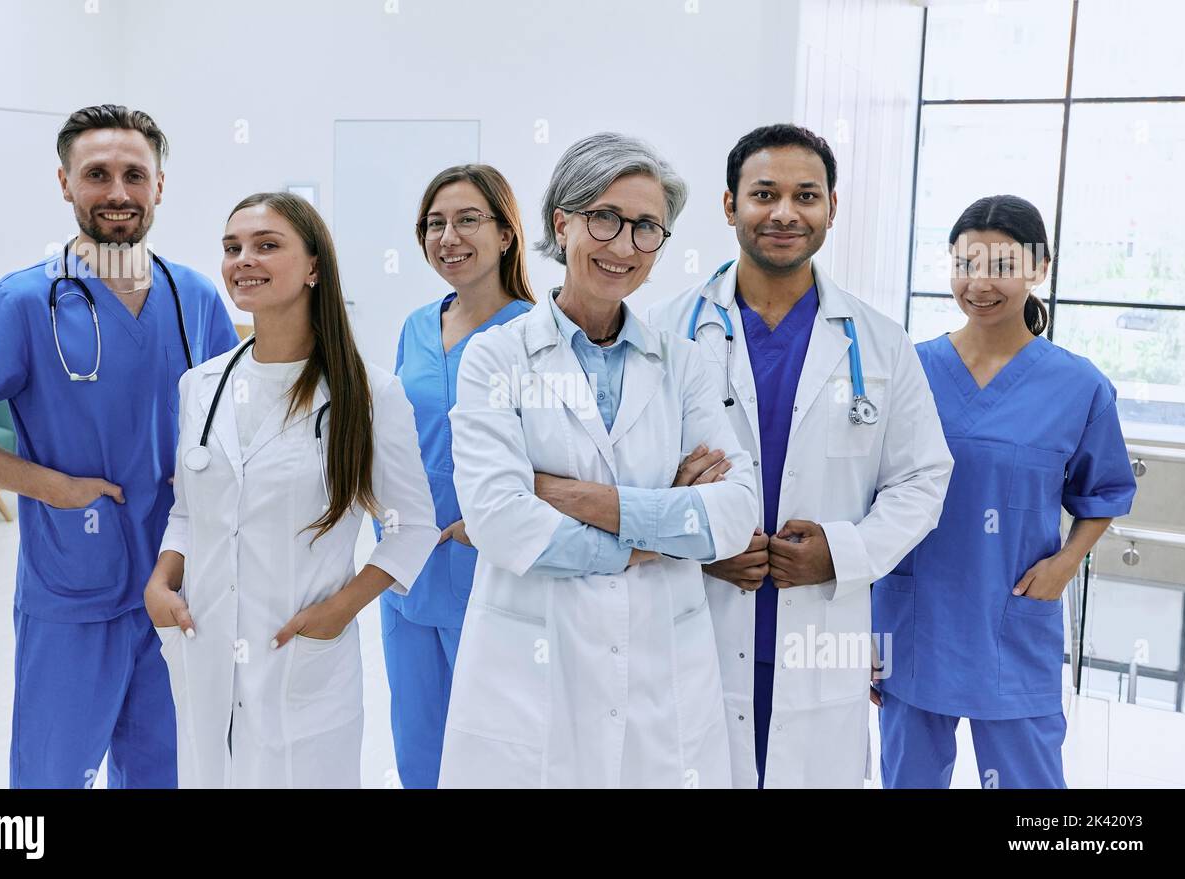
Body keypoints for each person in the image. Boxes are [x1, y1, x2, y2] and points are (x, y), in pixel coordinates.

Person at [0, 104, 237, 788]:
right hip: (73, 586)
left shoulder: (195, 296)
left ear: (159, 186)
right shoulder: (25, 302)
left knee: (167, 767)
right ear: (65, 183)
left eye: (133, 174)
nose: (117, 191)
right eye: (97, 174)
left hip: (178, 581)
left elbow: (230, 414)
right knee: (52, 775)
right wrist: (50, 487)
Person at [439, 133, 759, 789]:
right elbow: (499, 518)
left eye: (647, 228)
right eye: (605, 218)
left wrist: (572, 497)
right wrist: (656, 529)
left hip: (659, 671)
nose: (624, 246)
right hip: (530, 670)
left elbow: (733, 514)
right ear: (563, 222)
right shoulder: (495, 359)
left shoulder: (685, 364)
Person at [647, 124, 953, 788]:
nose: (785, 212)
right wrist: (700, 540)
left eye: (806, 195)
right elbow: (629, 479)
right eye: (764, 193)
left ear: (831, 209)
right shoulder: (664, 332)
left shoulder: (879, 342)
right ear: (730, 205)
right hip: (699, 615)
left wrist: (841, 551)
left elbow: (923, 477)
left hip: (820, 630)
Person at [143, 192, 438, 788]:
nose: (243, 259)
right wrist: (161, 580)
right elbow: (187, 510)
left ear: (313, 268)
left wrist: (338, 612)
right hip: (202, 639)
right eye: (232, 248)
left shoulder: (368, 393)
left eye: (266, 245)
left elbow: (414, 528)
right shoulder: (200, 385)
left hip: (300, 651)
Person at [874, 195, 1136, 789]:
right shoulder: (909, 372)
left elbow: (1106, 492)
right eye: (965, 265)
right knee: (908, 779)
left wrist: (1067, 564)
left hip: (1012, 617)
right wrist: (864, 626)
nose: (979, 283)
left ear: (1039, 269)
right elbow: (873, 498)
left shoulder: (1077, 386)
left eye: (1001, 266)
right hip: (914, 617)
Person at [379, 165, 534, 788]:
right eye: (435, 223)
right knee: (418, 742)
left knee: (495, 749)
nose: (449, 236)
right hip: (408, 565)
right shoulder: (417, 326)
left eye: (468, 219)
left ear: (505, 234)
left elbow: (557, 454)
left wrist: (489, 520)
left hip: (493, 566)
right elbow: (394, 436)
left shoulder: (537, 332)